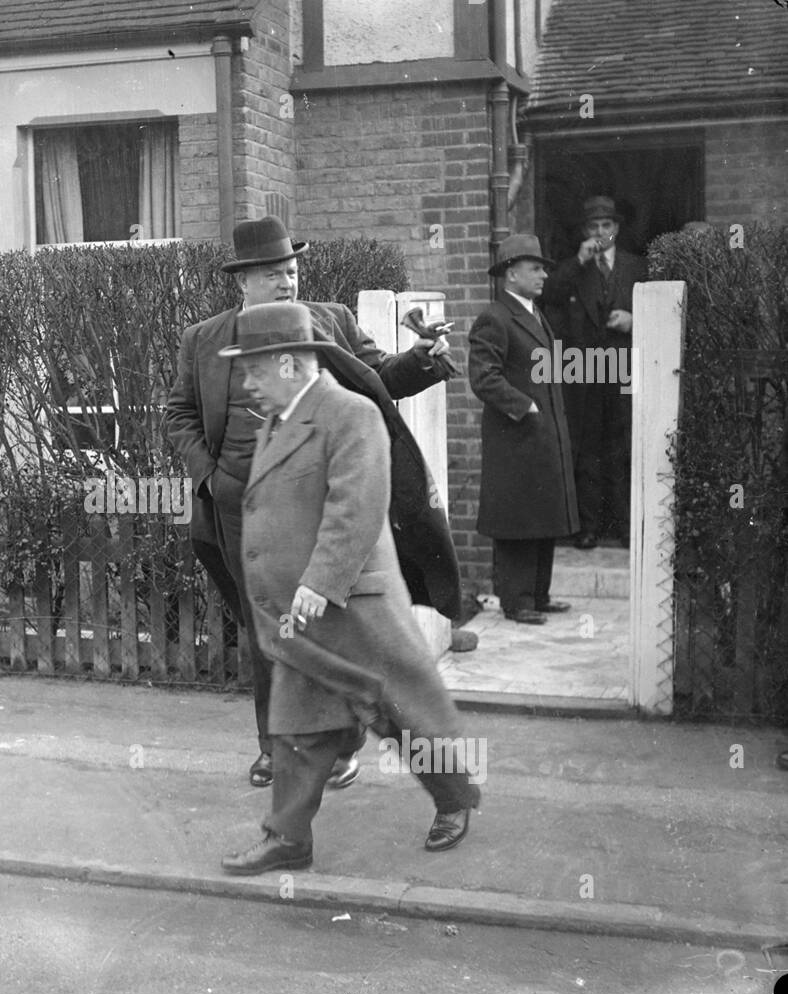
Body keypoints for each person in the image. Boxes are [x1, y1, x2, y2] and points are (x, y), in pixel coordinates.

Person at [166, 215, 458, 788]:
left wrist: (422, 357)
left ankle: (347, 751)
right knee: (264, 633)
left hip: (317, 509)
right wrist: (211, 478)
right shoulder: (204, 339)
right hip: (237, 511)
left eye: (292, 271)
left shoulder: (331, 322)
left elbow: (379, 379)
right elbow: (178, 412)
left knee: (332, 630)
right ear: (242, 281)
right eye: (273, 274)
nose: (287, 282)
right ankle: (276, 750)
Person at [217, 303, 479, 875]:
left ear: (288, 363)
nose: (247, 383)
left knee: (403, 713)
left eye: (255, 370)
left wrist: (320, 581)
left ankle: (455, 797)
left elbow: (356, 506)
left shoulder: (350, 413)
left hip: (353, 606)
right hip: (302, 617)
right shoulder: (277, 421)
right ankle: (287, 839)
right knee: (297, 725)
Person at [468, 234, 577, 625]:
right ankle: (516, 602)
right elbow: (483, 377)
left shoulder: (535, 314)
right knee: (518, 519)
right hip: (514, 437)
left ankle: (538, 595)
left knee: (542, 514)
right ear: (511, 274)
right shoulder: (495, 317)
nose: (544, 274)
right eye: (535, 267)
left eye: (543, 267)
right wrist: (524, 406)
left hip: (540, 435)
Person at [542, 196, 646, 549]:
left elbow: (664, 308)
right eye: (593, 226)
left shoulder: (636, 266)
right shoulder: (575, 267)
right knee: (586, 449)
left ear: (616, 228)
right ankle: (588, 527)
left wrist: (635, 321)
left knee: (623, 446)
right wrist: (578, 261)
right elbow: (549, 295)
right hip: (583, 371)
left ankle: (625, 526)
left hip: (623, 369)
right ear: (585, 232)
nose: (600, 232)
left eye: (606, 225)